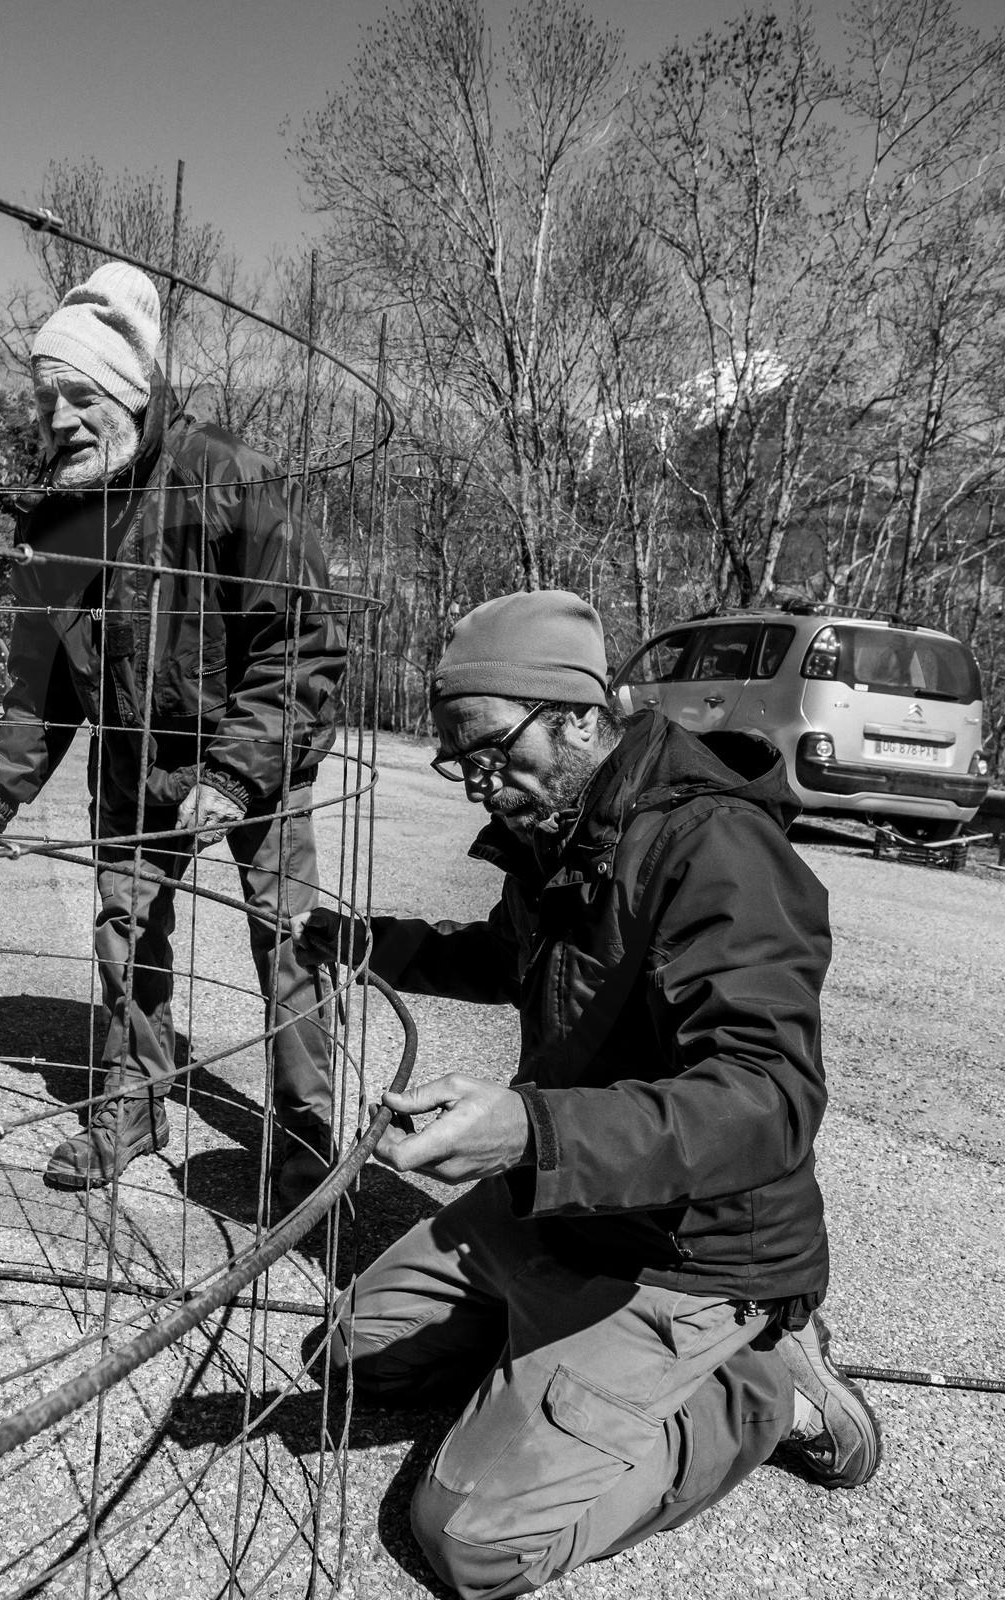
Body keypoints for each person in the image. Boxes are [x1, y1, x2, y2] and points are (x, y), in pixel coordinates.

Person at [293, 589, 880, 1598]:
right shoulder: (558, 825)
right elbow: (524, 958)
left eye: (488, 748)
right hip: (567, 1206)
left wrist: (527, 1129)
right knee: (349, 1357)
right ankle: (564, 1370)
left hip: (689, 1251)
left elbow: (766, 1095)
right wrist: (370, 944)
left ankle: (769, 1386)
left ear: (577, 712)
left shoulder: (716, 849)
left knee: (476, 1541)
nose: (476, 781)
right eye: (456, 760)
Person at [0, 261, 346, 1206]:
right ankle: (131, 1106)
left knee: (290, 942)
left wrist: (237, 774)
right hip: (132, 766)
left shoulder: (230, 479)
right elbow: (39, 685)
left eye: (80, 396)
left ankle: (306, 1134)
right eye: (50, 400)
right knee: (126, 933)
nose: (60, 421)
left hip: (254, 762)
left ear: (130, 392)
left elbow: (304, 645)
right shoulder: (61, 524)